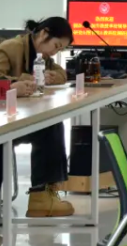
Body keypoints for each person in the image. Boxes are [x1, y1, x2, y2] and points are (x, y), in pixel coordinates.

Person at [0, 18, 74, 217]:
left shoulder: (41, 54)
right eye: (56, 46)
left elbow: (61, 72)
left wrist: (52, 76)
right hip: (4, 122)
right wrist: (18, 84)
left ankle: (41, 196)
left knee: (50, 124)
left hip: (17, 120)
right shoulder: (10, 48)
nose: (55, 53)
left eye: (60, 50)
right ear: (44, 34)